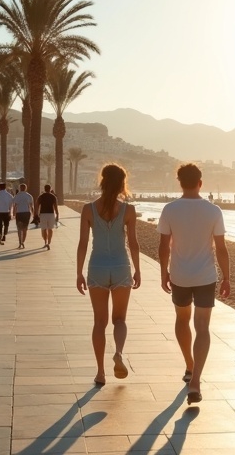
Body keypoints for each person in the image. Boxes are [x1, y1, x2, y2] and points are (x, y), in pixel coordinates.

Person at [158, 163, 231, 405]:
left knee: (181, 319)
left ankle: (189, 365)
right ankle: (196, 380)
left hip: (179, 275)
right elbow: (221, 248)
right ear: (201, 183)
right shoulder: (213, 211)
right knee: (202, 326)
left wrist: (163, 273)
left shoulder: (170, 209)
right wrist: (227, 277)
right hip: (205, 277)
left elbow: (163, 246)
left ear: (180, 182)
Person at [76, 164, 141, 386]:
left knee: (99, 322)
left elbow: (83, 244)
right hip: (122, 267)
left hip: (97, 268)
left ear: (102, 181)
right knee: (120, 319)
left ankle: (100, 373)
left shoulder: (88, 209)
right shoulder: (128, 210)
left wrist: (78, 273)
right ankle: (119, 353)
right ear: (123, 182)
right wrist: (138, 269)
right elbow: (133, 243)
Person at [10, 183, 34, 249]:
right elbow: (31, 206)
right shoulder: (29, 196)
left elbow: (15, 206)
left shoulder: (17, 196)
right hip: (26, 213)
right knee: (25, 228)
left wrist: (13, 214)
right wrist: (33, 214)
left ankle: (20, 242)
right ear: (25, 188)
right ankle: (23, 241)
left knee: (19, 229)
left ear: (20, 188)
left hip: (19, 213)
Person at [37, 184, 60, 250]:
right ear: (50, 189)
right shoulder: (53, 197)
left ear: (44, 189)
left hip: (43, 214)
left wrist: (36, 214)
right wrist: (57, 214)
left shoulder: (41, 196)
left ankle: (45, 242)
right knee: (50, 229)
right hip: (51, 214)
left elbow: (37, 205)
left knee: (44, 229)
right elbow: (55, 207)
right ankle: (49, 242)